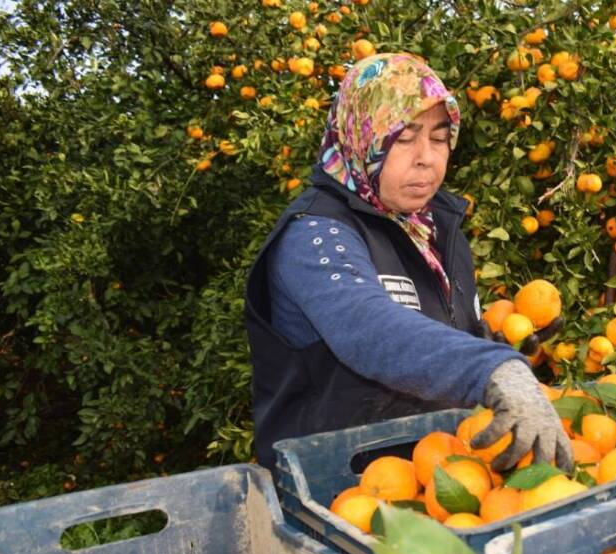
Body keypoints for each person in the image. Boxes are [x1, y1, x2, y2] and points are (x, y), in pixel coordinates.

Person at [244, 53, 573, 474]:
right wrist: (489, 368)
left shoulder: (433, 229)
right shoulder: (314, 234)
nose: (426, 158)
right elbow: (367, 325)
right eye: (404, 138)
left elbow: (437, 336)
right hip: (338, 495)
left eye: (439, 138)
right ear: (362, 136)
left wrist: (498, 348)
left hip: (438, 478)